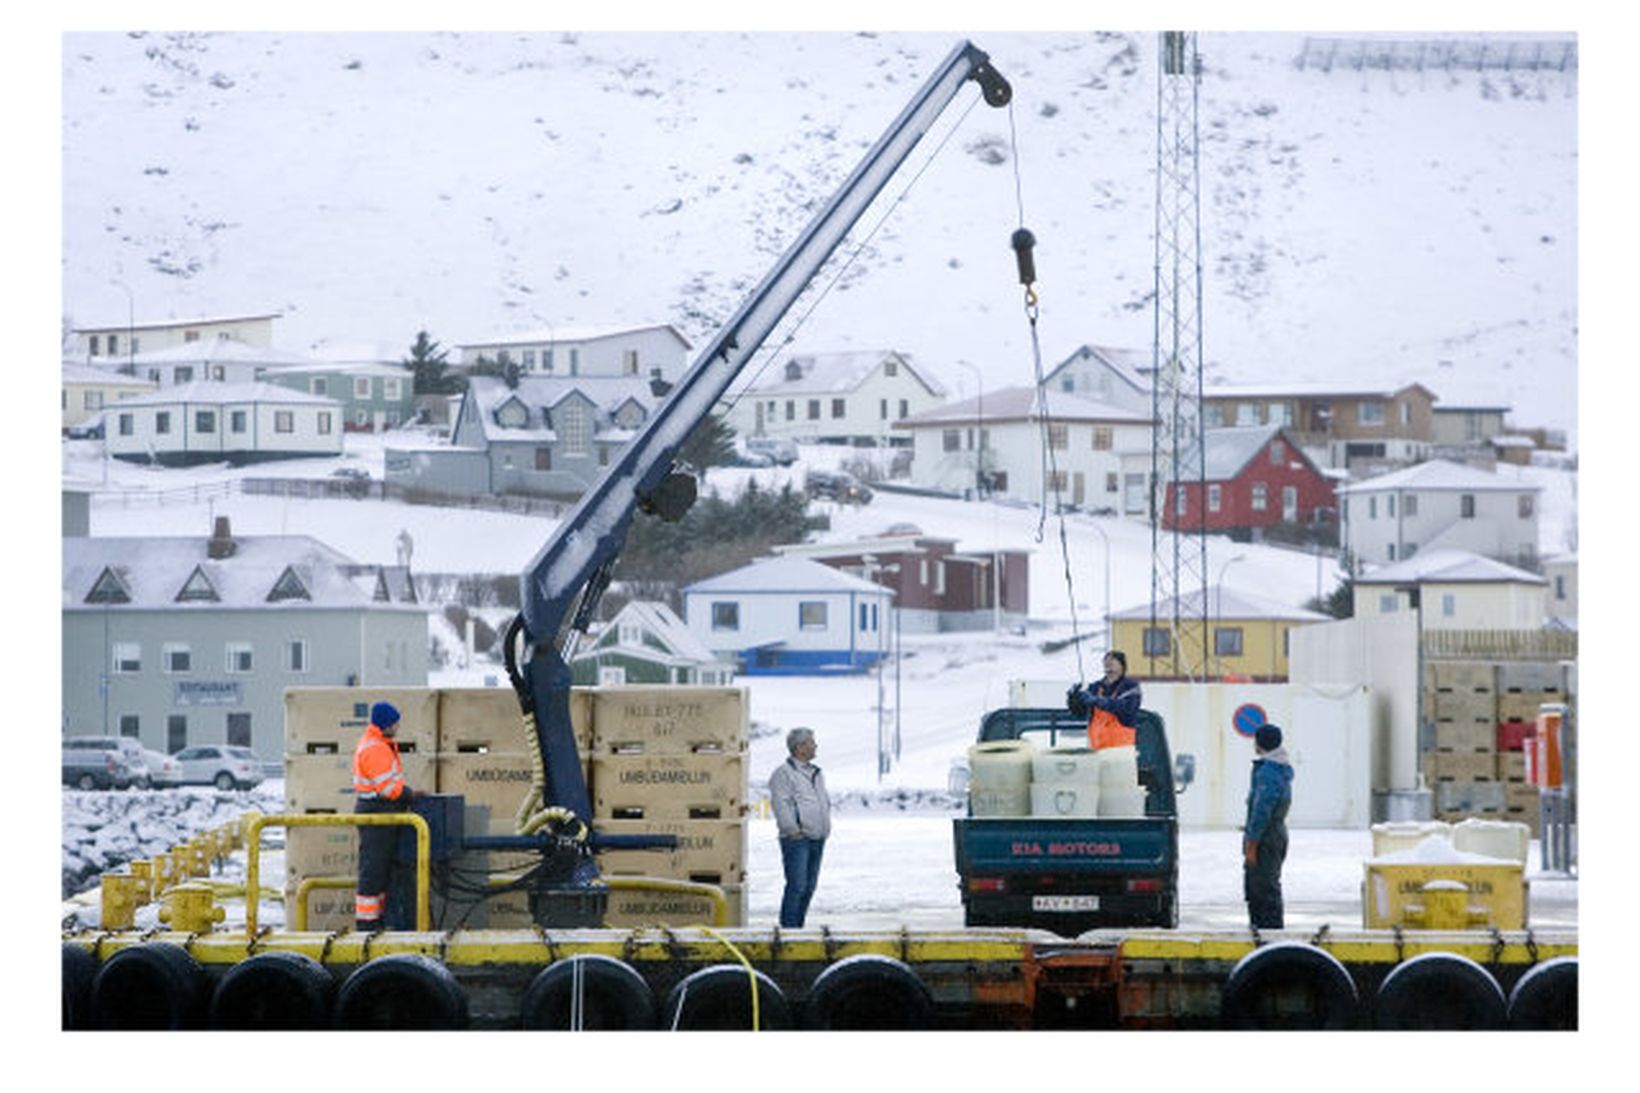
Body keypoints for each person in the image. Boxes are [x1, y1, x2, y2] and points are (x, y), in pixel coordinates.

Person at [353, 701, 416, 931]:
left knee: (381, 870)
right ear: (387, 724)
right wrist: (409, 794)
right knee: (374, 871)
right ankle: (367, 924)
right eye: (396, 722)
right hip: (377, 814)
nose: (398, 726)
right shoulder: (376, 748)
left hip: (379, 812)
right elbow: (388, 789)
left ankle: (377, 920)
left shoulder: (379, 743)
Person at [769, 727, 830, 928]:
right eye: (812, 742)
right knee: (797, 886)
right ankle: (789, 930)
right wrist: (792, 830)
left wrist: (824, 828)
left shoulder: (816, 773)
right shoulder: (783, 774)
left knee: (809, 887)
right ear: (800, 747)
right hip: (797, 839)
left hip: (817, 837)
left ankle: (798, 927)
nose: (815, 746)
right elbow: (781, 803)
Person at [1243, 723, 1294, 930]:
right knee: (1268, 886)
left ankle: (1267, 938)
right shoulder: (1280, 769)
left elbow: (1261, 811)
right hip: (1275, 834)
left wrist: (1252, 844)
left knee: (1261, 890)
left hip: (1266, 838)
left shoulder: (1268, 772)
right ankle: (1270, 936)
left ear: (1260, 743)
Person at [1066, 650, 1143, 749]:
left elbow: (1126, 708)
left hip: (1121, 752)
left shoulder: (1130, 686)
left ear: (1122, 665)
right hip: (1097, 751)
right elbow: (1081, 713)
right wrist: (1074, 701)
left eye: (1113, 659)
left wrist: (1098, 701)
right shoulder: (1095, 687)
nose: (1108, 662)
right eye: (1106, 660)